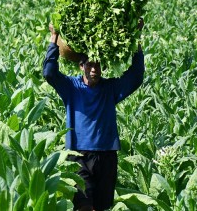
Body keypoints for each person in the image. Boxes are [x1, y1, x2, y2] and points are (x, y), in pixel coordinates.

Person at [43, 19, 145, 211]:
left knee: (101, 207)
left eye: (97, 65)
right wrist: (54, 37)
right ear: (81, 66)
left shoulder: (110, 88)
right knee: (83, 207)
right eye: (89, 65)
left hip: (107, 155)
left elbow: (136, 74)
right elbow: (49, 73)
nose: (93, 69)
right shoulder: (70, 87)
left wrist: (137, 37)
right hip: (78, 155)